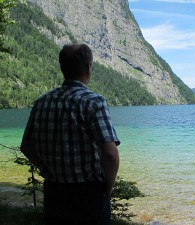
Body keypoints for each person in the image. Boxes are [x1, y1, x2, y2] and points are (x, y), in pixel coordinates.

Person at [20, 43, 120, 225]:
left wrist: (45, 168)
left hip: (54, 192)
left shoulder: (42, 102)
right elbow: (110, 154)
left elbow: (26, 146)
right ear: (89, 68)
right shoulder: (94, 102)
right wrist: (107, 188)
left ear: (62, 68)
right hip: (89, 195)